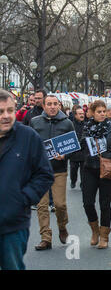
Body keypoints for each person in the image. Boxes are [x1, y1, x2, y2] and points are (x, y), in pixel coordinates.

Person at [0, 90, 53, 270]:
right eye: (0, 112)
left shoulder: (28, 137)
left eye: (10, 110)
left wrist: (23, 198)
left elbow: (44, 174)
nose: (6, 116)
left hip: (13, 224)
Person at [30, 95, 75, 251]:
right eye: (49, 104)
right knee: (42, 205)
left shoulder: (67, 123)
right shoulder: (35, 122)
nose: (52, 107)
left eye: (55, 104)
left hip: (59, 169)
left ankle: (62, 227)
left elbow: (73, 145)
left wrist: (65, 155)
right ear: (44, 106)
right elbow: (30, 143)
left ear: (59, 106)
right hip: (39, 171)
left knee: (59, 204)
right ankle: (45, 238)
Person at [81, 100, 111, 249]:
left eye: (103, 111)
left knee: (105, 204)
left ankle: (104, 236)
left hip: (107, 169)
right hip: (89, 168)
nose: (101, 114)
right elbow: (81, 146)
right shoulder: (87, 127)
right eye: (98, 112)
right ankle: (95, 230)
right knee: (87, 203)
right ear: (92, 113)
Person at [69, 105, 86, 189]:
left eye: (83, 113)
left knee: (84, 170)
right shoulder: (70, 124)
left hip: (84, 151)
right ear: (75, 115)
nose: (82, 115)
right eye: (80, 114)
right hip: (74, 151)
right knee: (73, 169)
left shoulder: (86, 124)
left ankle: (83, 184)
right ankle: (73, 180)